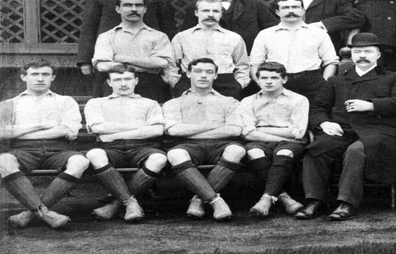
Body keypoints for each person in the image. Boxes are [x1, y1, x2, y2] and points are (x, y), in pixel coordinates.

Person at [295, 33, 396, 221]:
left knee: (355, 151)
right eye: (357, 52)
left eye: (368, 51)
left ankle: (346, 203)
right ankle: (315, 200)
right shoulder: (336, 81)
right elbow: (318, 107)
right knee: (315, 150)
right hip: (343, 130)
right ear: (352, 55)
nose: (362, 55)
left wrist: (371, 105)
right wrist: (324, 123)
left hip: (380, 131)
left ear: (378, 55)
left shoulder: (394, 78)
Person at [77, 0, 176, 97]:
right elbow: (89, 28)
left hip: (147, 62)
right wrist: (84, 60)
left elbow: (168, 28)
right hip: (111, 61)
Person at [1, 61, 87, 229]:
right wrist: (41, 125)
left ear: (52, 77)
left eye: (45, 74)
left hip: (59, 148)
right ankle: (45, 213)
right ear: (24, 77)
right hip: (23, 150)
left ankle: (31, 212)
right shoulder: (8, 104)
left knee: (80, 162)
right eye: (34, 74)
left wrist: (18, 131)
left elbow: (68, 129)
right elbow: (3, 132)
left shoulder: (65, 101)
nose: (40, 79)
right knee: (3, 161)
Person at [163, 58, 246, 221]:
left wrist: (190, 131)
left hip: (221, 144)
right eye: (198, 71)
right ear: (188, 74)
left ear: (215, 76)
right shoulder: (174, 103)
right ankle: (215, 201)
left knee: (237, 150)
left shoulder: (229, 101)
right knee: (175, 154)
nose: (203, 76)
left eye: (209, 72)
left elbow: (235, 129)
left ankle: (199, 199)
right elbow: (174, 130)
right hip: (188, 145)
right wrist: (211, 125)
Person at [83, 65, 168, 223]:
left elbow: (156, 130)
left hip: (143, 147)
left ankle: (116, 204)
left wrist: (113, 134)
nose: (123, 84)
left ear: (136, 81)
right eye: (117, 80)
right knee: (94, 154)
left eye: (128, 79)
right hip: (110, 148)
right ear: (109, 82)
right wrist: (140, 125)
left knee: (159, 159)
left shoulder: (150, 103)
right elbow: (98, 128)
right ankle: (130, 203)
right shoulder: (96, 103)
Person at [240, 62, 309, 218]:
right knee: (254, 152)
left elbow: (297, 132)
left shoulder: (299, 100)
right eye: (264, 78)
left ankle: (266, 198)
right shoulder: (248, 101)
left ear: (284, 79)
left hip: (289, 143)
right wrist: (281, 134)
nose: (269, 81)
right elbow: (247, 133)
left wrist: (259, 129)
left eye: (274, 78)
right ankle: (283, 198)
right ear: (258, 80)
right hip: (259, 142)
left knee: (284, 152)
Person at [249, 0, 339, 101]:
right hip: (277, 81)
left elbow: (331, 62)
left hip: (312, 83)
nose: (291, 11)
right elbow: (255, 64)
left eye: (295, 7)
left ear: (303, 11)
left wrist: (324, 85)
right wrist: (263, 85)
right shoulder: (265, 34)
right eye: (285, 8)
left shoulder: (319, 33)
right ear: (277, 12)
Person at [92, 0, 177, 103]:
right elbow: (102, 66)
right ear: (118, 9)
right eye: (128, 5)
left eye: (138, 5)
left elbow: (162, 63)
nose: (134, 9)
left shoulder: (159, 36)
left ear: (145, 9)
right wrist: (148, 67)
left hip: (151, 85)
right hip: (118, 83)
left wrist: (121, 58)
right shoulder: (106, 36)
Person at [171, 0, 250, 99]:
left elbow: (242, 65)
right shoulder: (182, 37)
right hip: (190, 83)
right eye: (205, 11)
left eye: (215, 11)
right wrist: (176, 84)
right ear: (196, 12)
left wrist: (239, 85)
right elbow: (171, 65)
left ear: (221, 14)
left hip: (225, 84)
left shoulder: (234, 38)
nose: (211, 15)